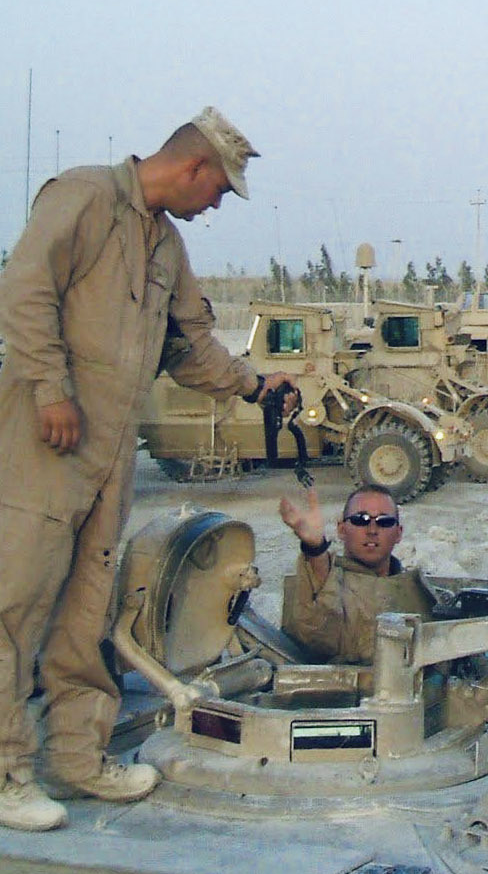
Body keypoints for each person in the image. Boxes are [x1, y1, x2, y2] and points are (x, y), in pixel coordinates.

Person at [0, 109, 294, 832]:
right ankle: (8, 774)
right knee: (14, 606)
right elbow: (24, 289)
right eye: (220, 190)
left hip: (108, 456)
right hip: (45, 439)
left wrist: (255, 385)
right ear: (193, 168)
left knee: (86, 614)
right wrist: (50, 389)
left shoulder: (166, 245)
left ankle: (75, 757)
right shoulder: (85, 195)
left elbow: (189, 347)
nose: (217, 205)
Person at [277, 484, 435, 664]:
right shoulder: (324, 579)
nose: (372, 530)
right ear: (342, 529)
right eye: (361, 520)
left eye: (384, 521)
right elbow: (315, 635)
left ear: (398, 533)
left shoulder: (418, 590)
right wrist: (316, 549)